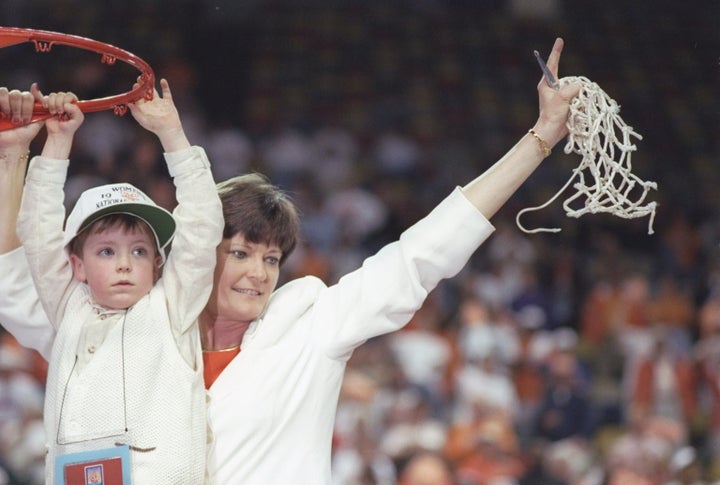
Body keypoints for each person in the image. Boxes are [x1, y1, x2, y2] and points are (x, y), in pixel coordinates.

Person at [0, 37, 582, 483]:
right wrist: (13, 155)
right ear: (196, 256)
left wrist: (539, 140)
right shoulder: (117, 328)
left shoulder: (307, 328)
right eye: (241, 253)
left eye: (271, 258)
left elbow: (419, 256)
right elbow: (11, 281)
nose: (258, 273)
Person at [1, 79, 223, 483]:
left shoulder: (171, 306)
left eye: (139, 251)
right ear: (77, 266)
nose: (125, 263)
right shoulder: (69, 307)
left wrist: (171, 133)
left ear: (158, 263)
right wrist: (57, 141)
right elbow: (37, 233)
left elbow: (204, 225)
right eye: (106, 251)